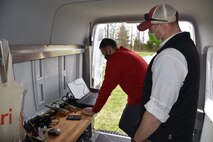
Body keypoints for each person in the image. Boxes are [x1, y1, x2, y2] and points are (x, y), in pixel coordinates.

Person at [133, 3, 200, 142]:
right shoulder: (187, 45)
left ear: (163, 26)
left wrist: (136, 139)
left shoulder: (170, 56)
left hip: (165, 135)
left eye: (151, 29)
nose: (150, 34)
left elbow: (156, 113)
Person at [82, 38, 148, 138]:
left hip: (141, 98)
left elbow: (106, 88)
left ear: (108, 49)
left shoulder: (116, 59)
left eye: (103, 52)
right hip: (141, 94)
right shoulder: (124, 53)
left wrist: (94, 110)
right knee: (135, 125)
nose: (104, 56)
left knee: (125, 124)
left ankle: (143, 139)